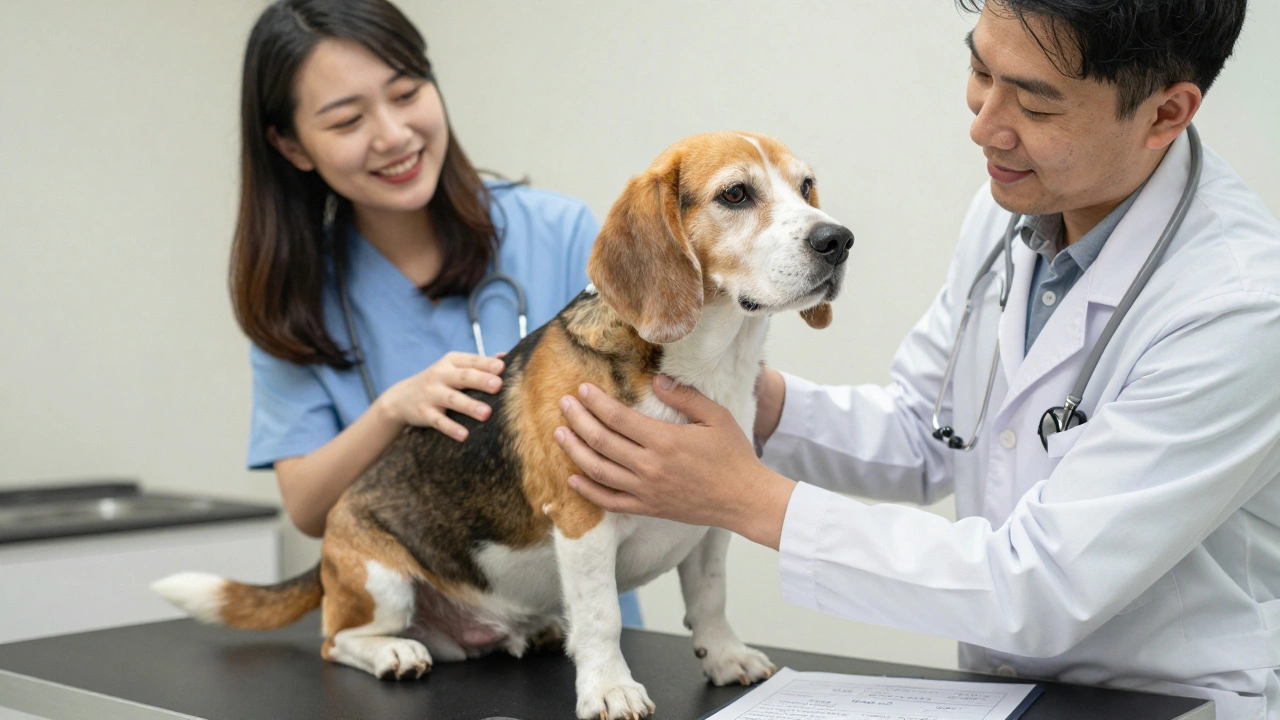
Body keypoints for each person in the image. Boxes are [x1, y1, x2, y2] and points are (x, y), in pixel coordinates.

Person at [553, 0, 1279, 715]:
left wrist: (746, 497)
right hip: (1002, 696)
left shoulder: (1239, 307)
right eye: (979, 68)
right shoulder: (1013, 209)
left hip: (1172, 704)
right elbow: (928, 433)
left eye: (1035, 103)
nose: (984, 126)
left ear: (1165, 113)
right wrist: (750, 396)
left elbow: (1042, 584)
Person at [229, 0, 641, 625]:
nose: (393, 135)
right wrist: (394, 410)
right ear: (291, 145)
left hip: (586, 645)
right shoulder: (297, 298)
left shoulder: (560, 232)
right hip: (430, 643)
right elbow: (310, 509)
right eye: (346, 121)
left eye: (406, 92)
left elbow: (646, 427)